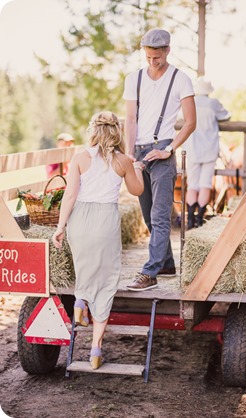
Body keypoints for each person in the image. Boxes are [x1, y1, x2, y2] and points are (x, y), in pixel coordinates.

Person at [52, 111, 144, 369]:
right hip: (105, 220)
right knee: (106, 280)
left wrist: (60, 227)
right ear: (117, 131)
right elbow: (137, 190)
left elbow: (69, 196)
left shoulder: (79, 157)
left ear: (93, 130)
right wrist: (136, 168)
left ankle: (80, 302)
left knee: (85, 267)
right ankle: (95, 351)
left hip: (79, 220)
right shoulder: (123, 160)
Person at [123, 28, 196, 291]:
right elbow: (130, 119)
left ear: (167, 50)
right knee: (147, 214)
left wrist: (170, 149)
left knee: (161, 214)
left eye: (158, 56)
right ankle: (165, 263)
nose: (153, 61)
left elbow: (190, 122)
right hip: (140, 152)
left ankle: (150, 272)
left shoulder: (181, 79)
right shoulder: (134, 79)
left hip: (163, 151)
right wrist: (130, 153)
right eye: (149, 56)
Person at [183, 76, 231, 229]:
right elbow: (226, 116)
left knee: (192, 185)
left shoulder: (189, 102)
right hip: (209, 149)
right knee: (205, 184)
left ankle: (189, 220)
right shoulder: (213, 104)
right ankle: (199, 219)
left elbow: (179, 116)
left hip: (191, 148)